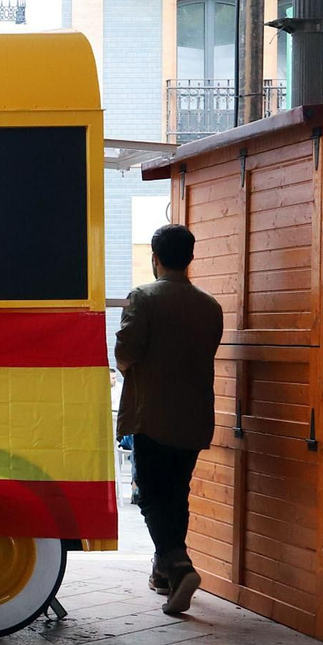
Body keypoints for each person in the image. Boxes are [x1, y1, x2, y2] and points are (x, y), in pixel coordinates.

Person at [115, 223, 224, 616]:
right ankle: (164, 573)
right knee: (176, 493)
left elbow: (125, 354)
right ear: (190, 257)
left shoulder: (143, 298)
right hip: (195, 417)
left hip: (152, 415)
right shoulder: (210, 306)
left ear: (155, 258)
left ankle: (178, 566)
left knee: (150, 494)